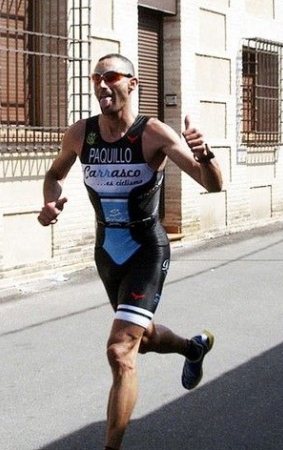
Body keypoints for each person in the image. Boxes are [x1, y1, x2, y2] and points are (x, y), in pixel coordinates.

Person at [38, 53, 223, 450]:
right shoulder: (81, 134)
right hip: (107, 252)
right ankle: (193, 348)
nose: (103, 85)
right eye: (97, 77)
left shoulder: (154, 133)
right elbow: (54, 174)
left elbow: (212, 185)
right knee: (144, 337)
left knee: (121, 350)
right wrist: (50, 202)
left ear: (132, 84)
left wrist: (205, 153)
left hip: (146, 249)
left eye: (112, 77)